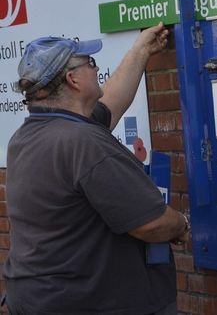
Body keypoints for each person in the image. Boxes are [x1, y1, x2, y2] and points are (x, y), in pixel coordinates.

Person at [4, 23, 188, 315]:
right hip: (97, 303)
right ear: (73, 79)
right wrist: (182, 224)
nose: (95, 66)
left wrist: (141, 49)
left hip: (38, 299)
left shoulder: (29, 136)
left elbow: (111, 103)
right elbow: (151, 224)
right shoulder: (84, 143)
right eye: (89, 63)